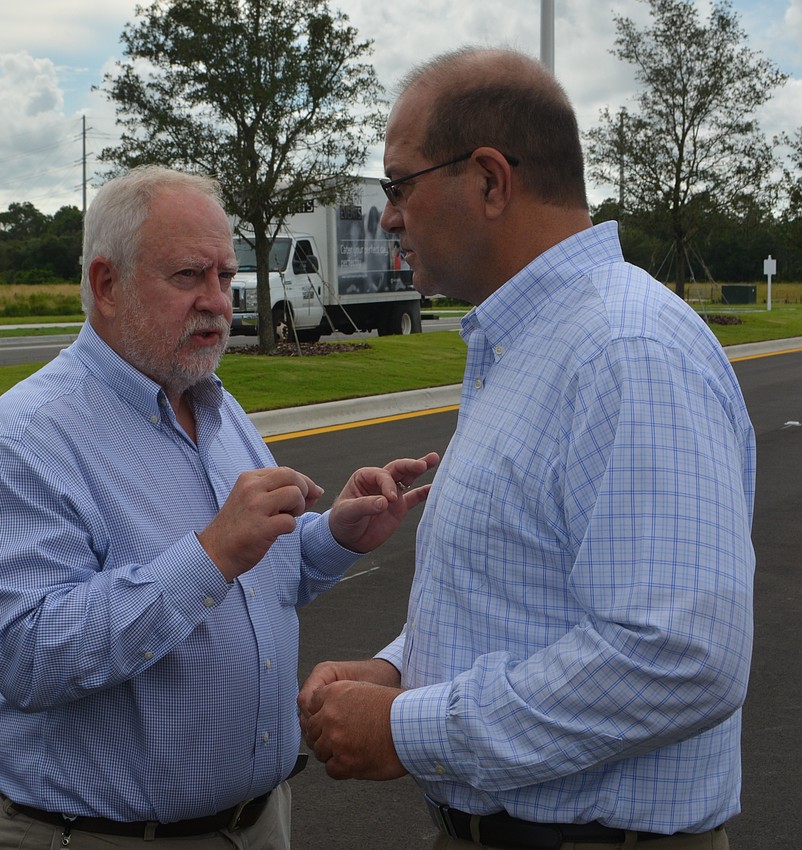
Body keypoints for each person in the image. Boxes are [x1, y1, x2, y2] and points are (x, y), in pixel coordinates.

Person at [299, 47, 756, 850]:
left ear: (488, 180)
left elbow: (680, 656)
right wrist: (404, 671)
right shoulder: (533, 345)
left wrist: (409, 728)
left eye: (400, 184)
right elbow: (521, 591)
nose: (389, 216)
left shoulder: (625, 348)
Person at [0, 165, 438, 849]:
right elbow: (26, 656)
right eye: (189, 276)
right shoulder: (26, 439)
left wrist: (334, 536)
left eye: (225, 273)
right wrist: (208, 555)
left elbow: (260, 576)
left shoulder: (216, 406)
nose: (220, 300)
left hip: (257, 823)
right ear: (106, 284)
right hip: (94, 834)